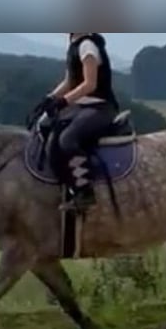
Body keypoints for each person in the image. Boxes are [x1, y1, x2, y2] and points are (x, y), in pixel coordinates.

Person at [37, 33, 120, 212]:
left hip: (100, 107)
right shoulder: (74, 46)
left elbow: (90, 84)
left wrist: (64, 101)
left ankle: (85, 191)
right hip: (81, 106)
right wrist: (50, 98)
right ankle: (62, 183)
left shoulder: (87, 46)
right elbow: (70, 81)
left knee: (68, 139)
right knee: (47, 130)